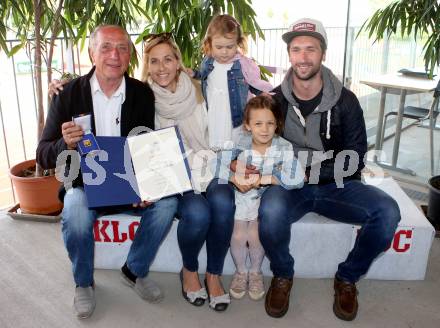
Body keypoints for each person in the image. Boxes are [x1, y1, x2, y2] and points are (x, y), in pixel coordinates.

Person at [254, 18, 401, 320]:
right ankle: (282, 274)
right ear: (289, 55)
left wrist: (311, 174)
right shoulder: (275, 100)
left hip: (337, 183)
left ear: (323, 54)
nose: (303, 57)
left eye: (311, 49)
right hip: (291, 185)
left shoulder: (346, 101)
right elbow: (255, 137)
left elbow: (357, 155)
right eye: (296, 50)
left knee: (387, 212)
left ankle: (347, 278)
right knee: (269, 213)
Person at [37, 25, 178, 319]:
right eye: (106, 47)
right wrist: (66, 143)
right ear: (91, 52)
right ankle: (84, 282)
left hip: (127, 184)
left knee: (168, 202)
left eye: (122, 48)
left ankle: (134, 270)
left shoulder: (142, 94)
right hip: (85, 186)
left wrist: (145, 186)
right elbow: (43, 153)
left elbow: (145, 146)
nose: (114, 55)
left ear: (129, 55)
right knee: (74, 209)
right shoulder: (67, 95)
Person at [140, 32, 234, 312]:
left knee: (223, 201)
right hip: (176, 176)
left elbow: (221, 130)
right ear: (147, 65)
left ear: (178, 61)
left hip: (210, 165)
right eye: (154, 61)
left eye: (168, 59)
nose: (162, 68)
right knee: (197, 212)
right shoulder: (142, 99)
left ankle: (214, 274)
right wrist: (60, 86)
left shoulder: (199, 89)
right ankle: (190, 270)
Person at [212, 95, 303, 301]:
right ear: (247, 125)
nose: (264, 129)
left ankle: (255, 272)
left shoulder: (283, 147)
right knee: (237, 236)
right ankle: (241, 271)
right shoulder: (240, 142)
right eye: (258, 123)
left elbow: (297, 178)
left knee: (255, 236)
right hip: (240, 198)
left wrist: (266, 178)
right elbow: (214, 164)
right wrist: (234, 177)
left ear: (277, 124)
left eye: (270, 123)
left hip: (261, 199)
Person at [191, 14, 273, 150]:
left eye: (230, 47)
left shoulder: (241, 65)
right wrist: (194, 74)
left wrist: (262, 93)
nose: (224, 52)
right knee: (215, 142)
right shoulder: (208, 61)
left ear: (238, 43)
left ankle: (236, 160)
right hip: (214, 111)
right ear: (209, 43)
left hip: (234, 113)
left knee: (235, 142)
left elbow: (252, 83)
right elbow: (204, 76)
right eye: (219, 47)